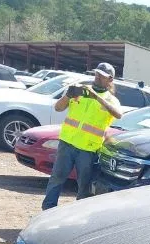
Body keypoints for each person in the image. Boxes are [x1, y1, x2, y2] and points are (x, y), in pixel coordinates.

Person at [41, 62, 123, 210]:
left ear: (110, 80)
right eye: (97, 74)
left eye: (102, 76)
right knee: (57, 178)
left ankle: (79, 215)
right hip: (67, 142)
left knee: (83, 185)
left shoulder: (111, 100)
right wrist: (67, 95)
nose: (97, 77)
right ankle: (47, 210)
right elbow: (58, 108)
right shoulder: (81, 91)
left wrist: (96, 96)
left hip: (88, 149)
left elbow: (118, 114)